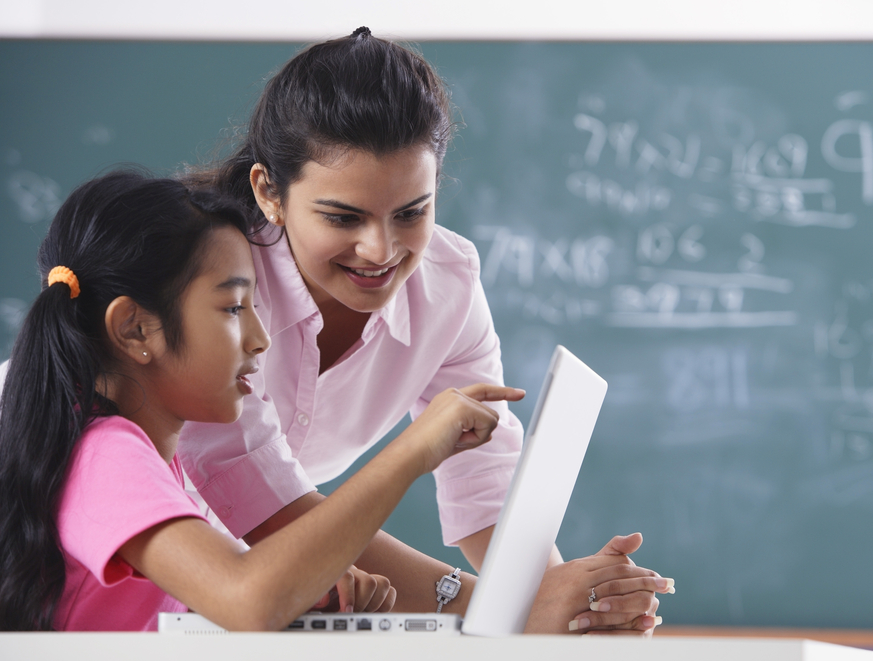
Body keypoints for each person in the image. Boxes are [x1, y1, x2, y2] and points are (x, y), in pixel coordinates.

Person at [181, 26, 673, 633]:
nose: (380, 250)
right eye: (343, 216)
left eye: (412, 212)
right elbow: (275, 515)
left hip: (253, 597)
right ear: (269, 192)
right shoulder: (211, 286)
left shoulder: (449, 285)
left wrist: (571, 608)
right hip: (103, 576)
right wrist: (508, 611)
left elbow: (486, 486)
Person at [0, 170, 544, 631]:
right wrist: (413, 453)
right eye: (234, 308)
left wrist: (304, 585)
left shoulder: (150, 462)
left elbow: (229, 592)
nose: (260, 337)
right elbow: (246, 596)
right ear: (136, 329)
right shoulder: (104, 455)